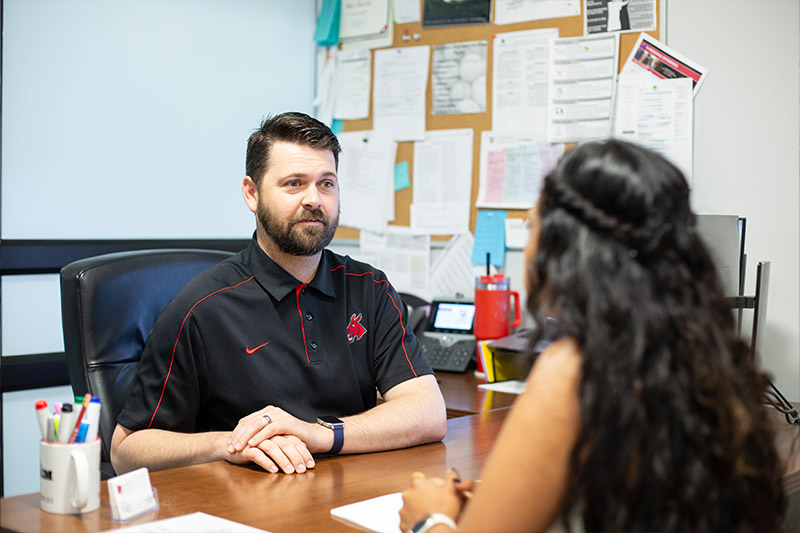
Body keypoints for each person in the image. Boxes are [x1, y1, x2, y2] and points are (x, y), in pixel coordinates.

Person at [399, 140, 786, 532]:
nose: (530, 248)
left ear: (569, 251)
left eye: (532, 227)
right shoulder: (708, 361)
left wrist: (430, 518)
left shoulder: (573, 371)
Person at [111, 112, 447, 476]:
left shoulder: (370, 288)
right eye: (294, 183)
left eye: (327, 183)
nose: (314, 199)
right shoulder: (201, 308)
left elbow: (428, 412)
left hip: (351, 500)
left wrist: (319, 435)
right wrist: (229, 444)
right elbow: (126, 450)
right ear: (252, 194)